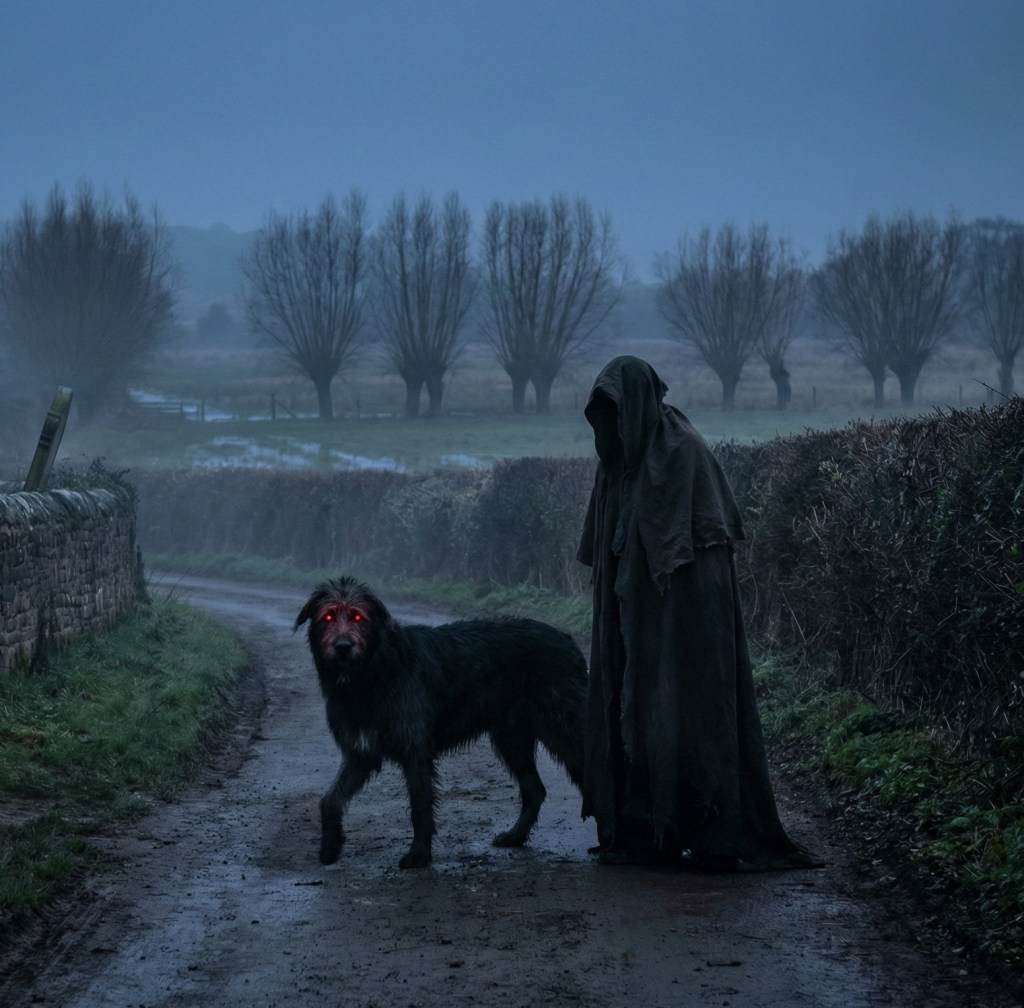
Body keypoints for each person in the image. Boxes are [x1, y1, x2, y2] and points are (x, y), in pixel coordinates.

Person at [576, 355, 820, 871]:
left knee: (690, 714)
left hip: (685, 623)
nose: (610, 426)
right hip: (630, 620)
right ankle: (641, 831)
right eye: (602, 414)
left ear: (641, 402)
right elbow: (606, 546)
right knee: (632, 713)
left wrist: (675, 617)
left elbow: (707, 554)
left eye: (617, 411)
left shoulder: (685, 452)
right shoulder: (616, 463)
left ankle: (710, 834)